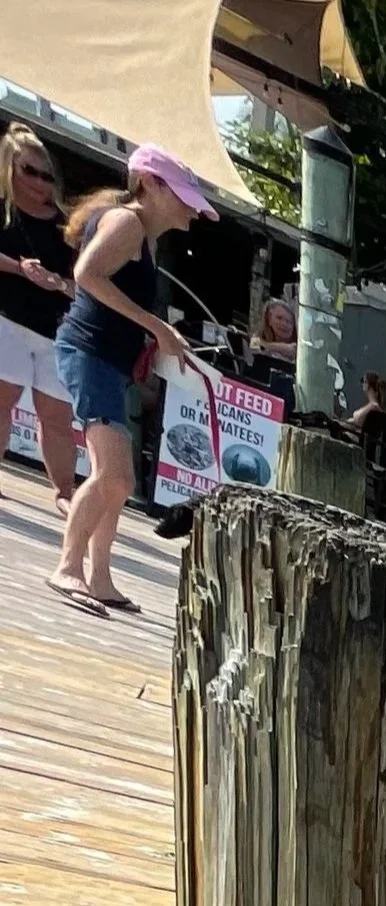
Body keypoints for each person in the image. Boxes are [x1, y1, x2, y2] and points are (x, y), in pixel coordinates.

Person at [51, 144, 210, 618]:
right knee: (114, 475)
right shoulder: (127, 223)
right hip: (90, 356)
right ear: (149, 185)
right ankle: (68, 566)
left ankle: (99, 576)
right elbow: (86, 274)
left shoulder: (143, 236)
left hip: (107, 362)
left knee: (118, 480)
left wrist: (156, 341)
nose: (191, 211)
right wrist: (157, 326)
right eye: (182, 197)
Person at [0, 125, 79, 512]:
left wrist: (58, 283)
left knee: (57, 416)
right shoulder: (4, 210)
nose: (40, 182)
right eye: (29, 171)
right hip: (6, 317)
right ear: (9, 168)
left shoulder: (67, 224)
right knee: (2, 400)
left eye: (46, 175)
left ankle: (65, 492)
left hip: (53, 330)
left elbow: (86, 281)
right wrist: (20, 268)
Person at [349, 371, 386, 465]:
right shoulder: (377, 408)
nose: (362, 384)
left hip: (360, 443)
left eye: (363, 381)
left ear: (368, 385)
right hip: (365, 444)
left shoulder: (373, 407)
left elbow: (357, 420)